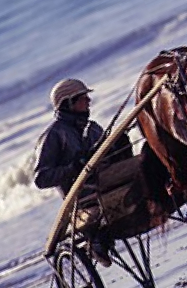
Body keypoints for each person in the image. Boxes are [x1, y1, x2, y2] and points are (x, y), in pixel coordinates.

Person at [33, 78, 126, 267]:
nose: (89, 102)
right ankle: (96, 242)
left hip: (108, 182)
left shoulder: (92, 127)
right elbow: (41, 178)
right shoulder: (53, 135)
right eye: (83, 98)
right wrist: (74, 167)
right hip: (83, 200)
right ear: (68, 103)